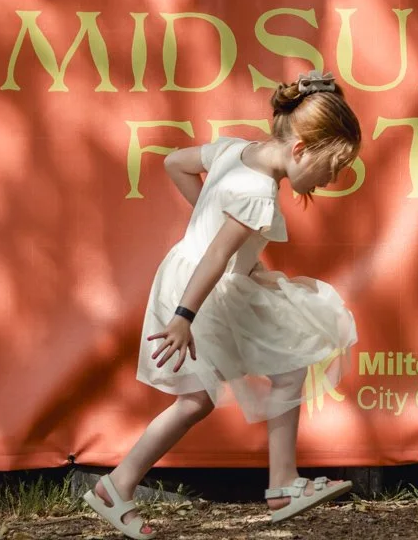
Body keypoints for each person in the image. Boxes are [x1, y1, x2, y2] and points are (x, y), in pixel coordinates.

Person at [83, 70, 362, 537]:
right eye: (330, 168)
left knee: (287, 362)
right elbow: (215, 255)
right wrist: (182, 318)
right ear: (299, 150)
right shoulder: (258, 194)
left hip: (199, 278)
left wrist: (208, 221)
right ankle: (119, 484)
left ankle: (281, 483)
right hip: (199, 290)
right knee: (195, 401)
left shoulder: (236, 150)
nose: (330, 181)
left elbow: (175, 163)